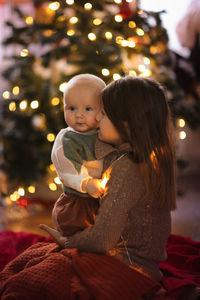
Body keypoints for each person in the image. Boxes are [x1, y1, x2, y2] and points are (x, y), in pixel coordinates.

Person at [0, 76, 176, 299]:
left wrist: (67, 242)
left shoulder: (125, 168)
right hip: (146, 264)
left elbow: (102, 239)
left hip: (127, 267)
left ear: (125, 124)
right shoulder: (148, 156)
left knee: (31, 278)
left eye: (103, 113)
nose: (97, 118)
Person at [51, 73, 106, 236]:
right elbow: (66, 170)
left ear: (102, 111)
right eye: (71, 108)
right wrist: (85, 183)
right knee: (74, 230)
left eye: (88, 109)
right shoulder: (66, 139)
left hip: (102, 198)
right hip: (77, 201)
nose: (79, 115)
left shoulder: (104, 132)